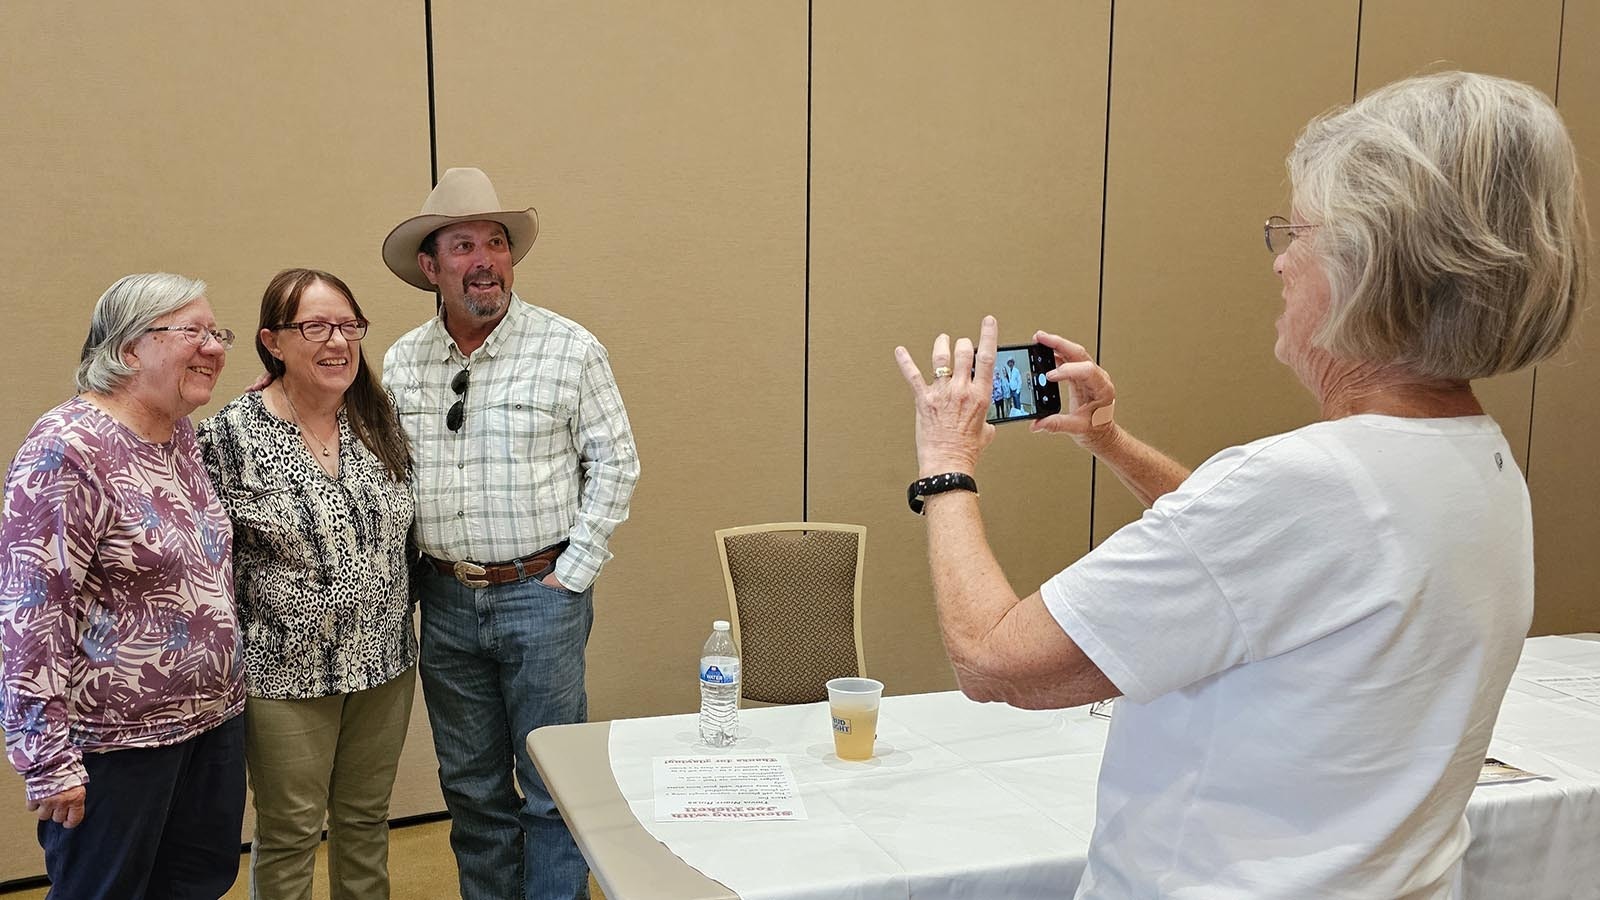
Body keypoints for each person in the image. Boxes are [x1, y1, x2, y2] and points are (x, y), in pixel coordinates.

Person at [894, 71, 1586, 897]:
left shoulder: (1305, 484)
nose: (1282, 263)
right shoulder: (1477, 462)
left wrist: (946, 461)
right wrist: (1114, 444)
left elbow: (994, 662)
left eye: (1301, 234)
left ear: (1372, 267)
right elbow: (1261, 563)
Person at [380, 166, 641, 900]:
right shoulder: (402, 362)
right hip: (446, 602)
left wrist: (575, 571)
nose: (485, 259)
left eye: (496, 243)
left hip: (541, 595)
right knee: (471, 788)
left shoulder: (570, 349)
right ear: (431, 268)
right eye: (462, 246)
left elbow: (616, 463)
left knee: (554, 782)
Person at [0, 273, 246, 898]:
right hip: (116, 746)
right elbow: (31, 614)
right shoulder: (66, 448)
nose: (215, 347)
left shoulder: (179, 436)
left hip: (208, 726)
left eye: (218, 333)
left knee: (195, 886)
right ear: (130, 348)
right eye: (195, 332)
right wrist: (46, 757)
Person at [198, 269, 417, 900]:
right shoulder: (229, 435)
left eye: (349, 326)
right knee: (291, 832)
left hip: (384, 662)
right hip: (284, 674)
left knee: (365, 823)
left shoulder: (380, 418)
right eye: (315, 327)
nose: (338, 342)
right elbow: (208, 561)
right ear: (273, 341)